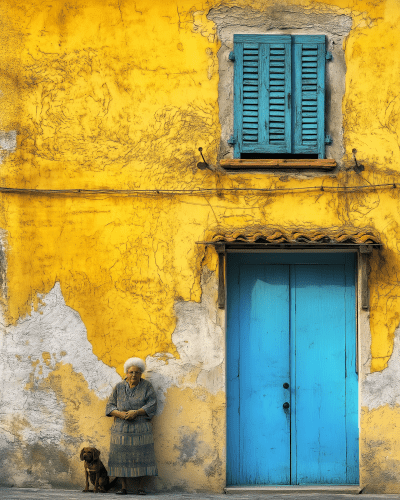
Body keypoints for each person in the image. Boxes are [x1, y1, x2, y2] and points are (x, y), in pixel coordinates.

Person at [106, 357, 158, 495]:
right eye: (131, 372)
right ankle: (123, 487)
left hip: (141, 428)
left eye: (137, 372)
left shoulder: (147, 386)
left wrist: (137, 412)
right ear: (126, 373)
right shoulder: (118, 387)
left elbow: (152, 403)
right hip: (121, 429)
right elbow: (110, 406)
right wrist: (120, 414)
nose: (134, 375)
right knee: (120, 457)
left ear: (141, 373)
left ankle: (140, 487)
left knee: (142, 457)